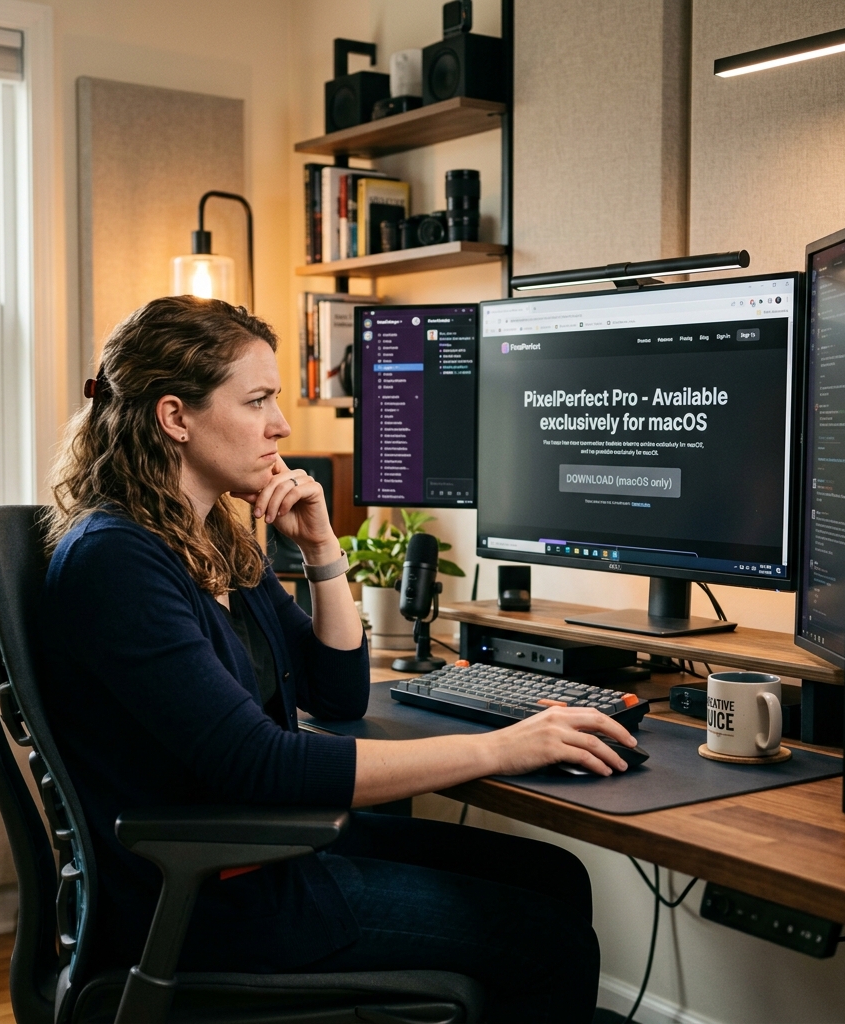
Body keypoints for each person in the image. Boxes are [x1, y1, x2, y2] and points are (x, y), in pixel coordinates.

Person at [41, 295, 639, 1023]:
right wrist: (502, 747)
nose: (281, 426)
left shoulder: (216, 540)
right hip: (208, 891)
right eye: (257, 400)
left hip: (254, 851)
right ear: (176, 417)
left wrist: (323, 551)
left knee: (550, 874)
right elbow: (262, 767)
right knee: (548, 942)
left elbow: (337, 693)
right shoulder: (118, 560)